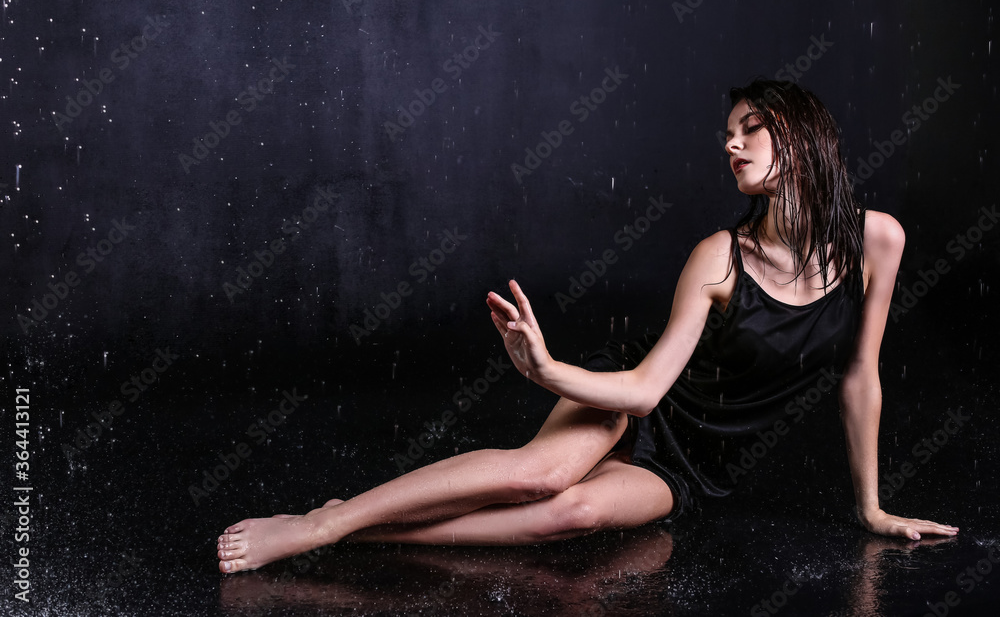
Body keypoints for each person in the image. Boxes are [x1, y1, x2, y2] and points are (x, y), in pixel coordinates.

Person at [216, 79, 958, 574]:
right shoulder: (719, 258)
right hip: (640, 393)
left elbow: (860, 378)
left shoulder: (877, 241)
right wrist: (544, 369)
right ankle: (315, 527)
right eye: (726, 134)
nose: (729, 145)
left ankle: (349, 525)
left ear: (797, 139)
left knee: (564, 515)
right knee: (540, 472)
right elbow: (641, 391)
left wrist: (870, 506)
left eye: (748, 130)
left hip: (702, 466)